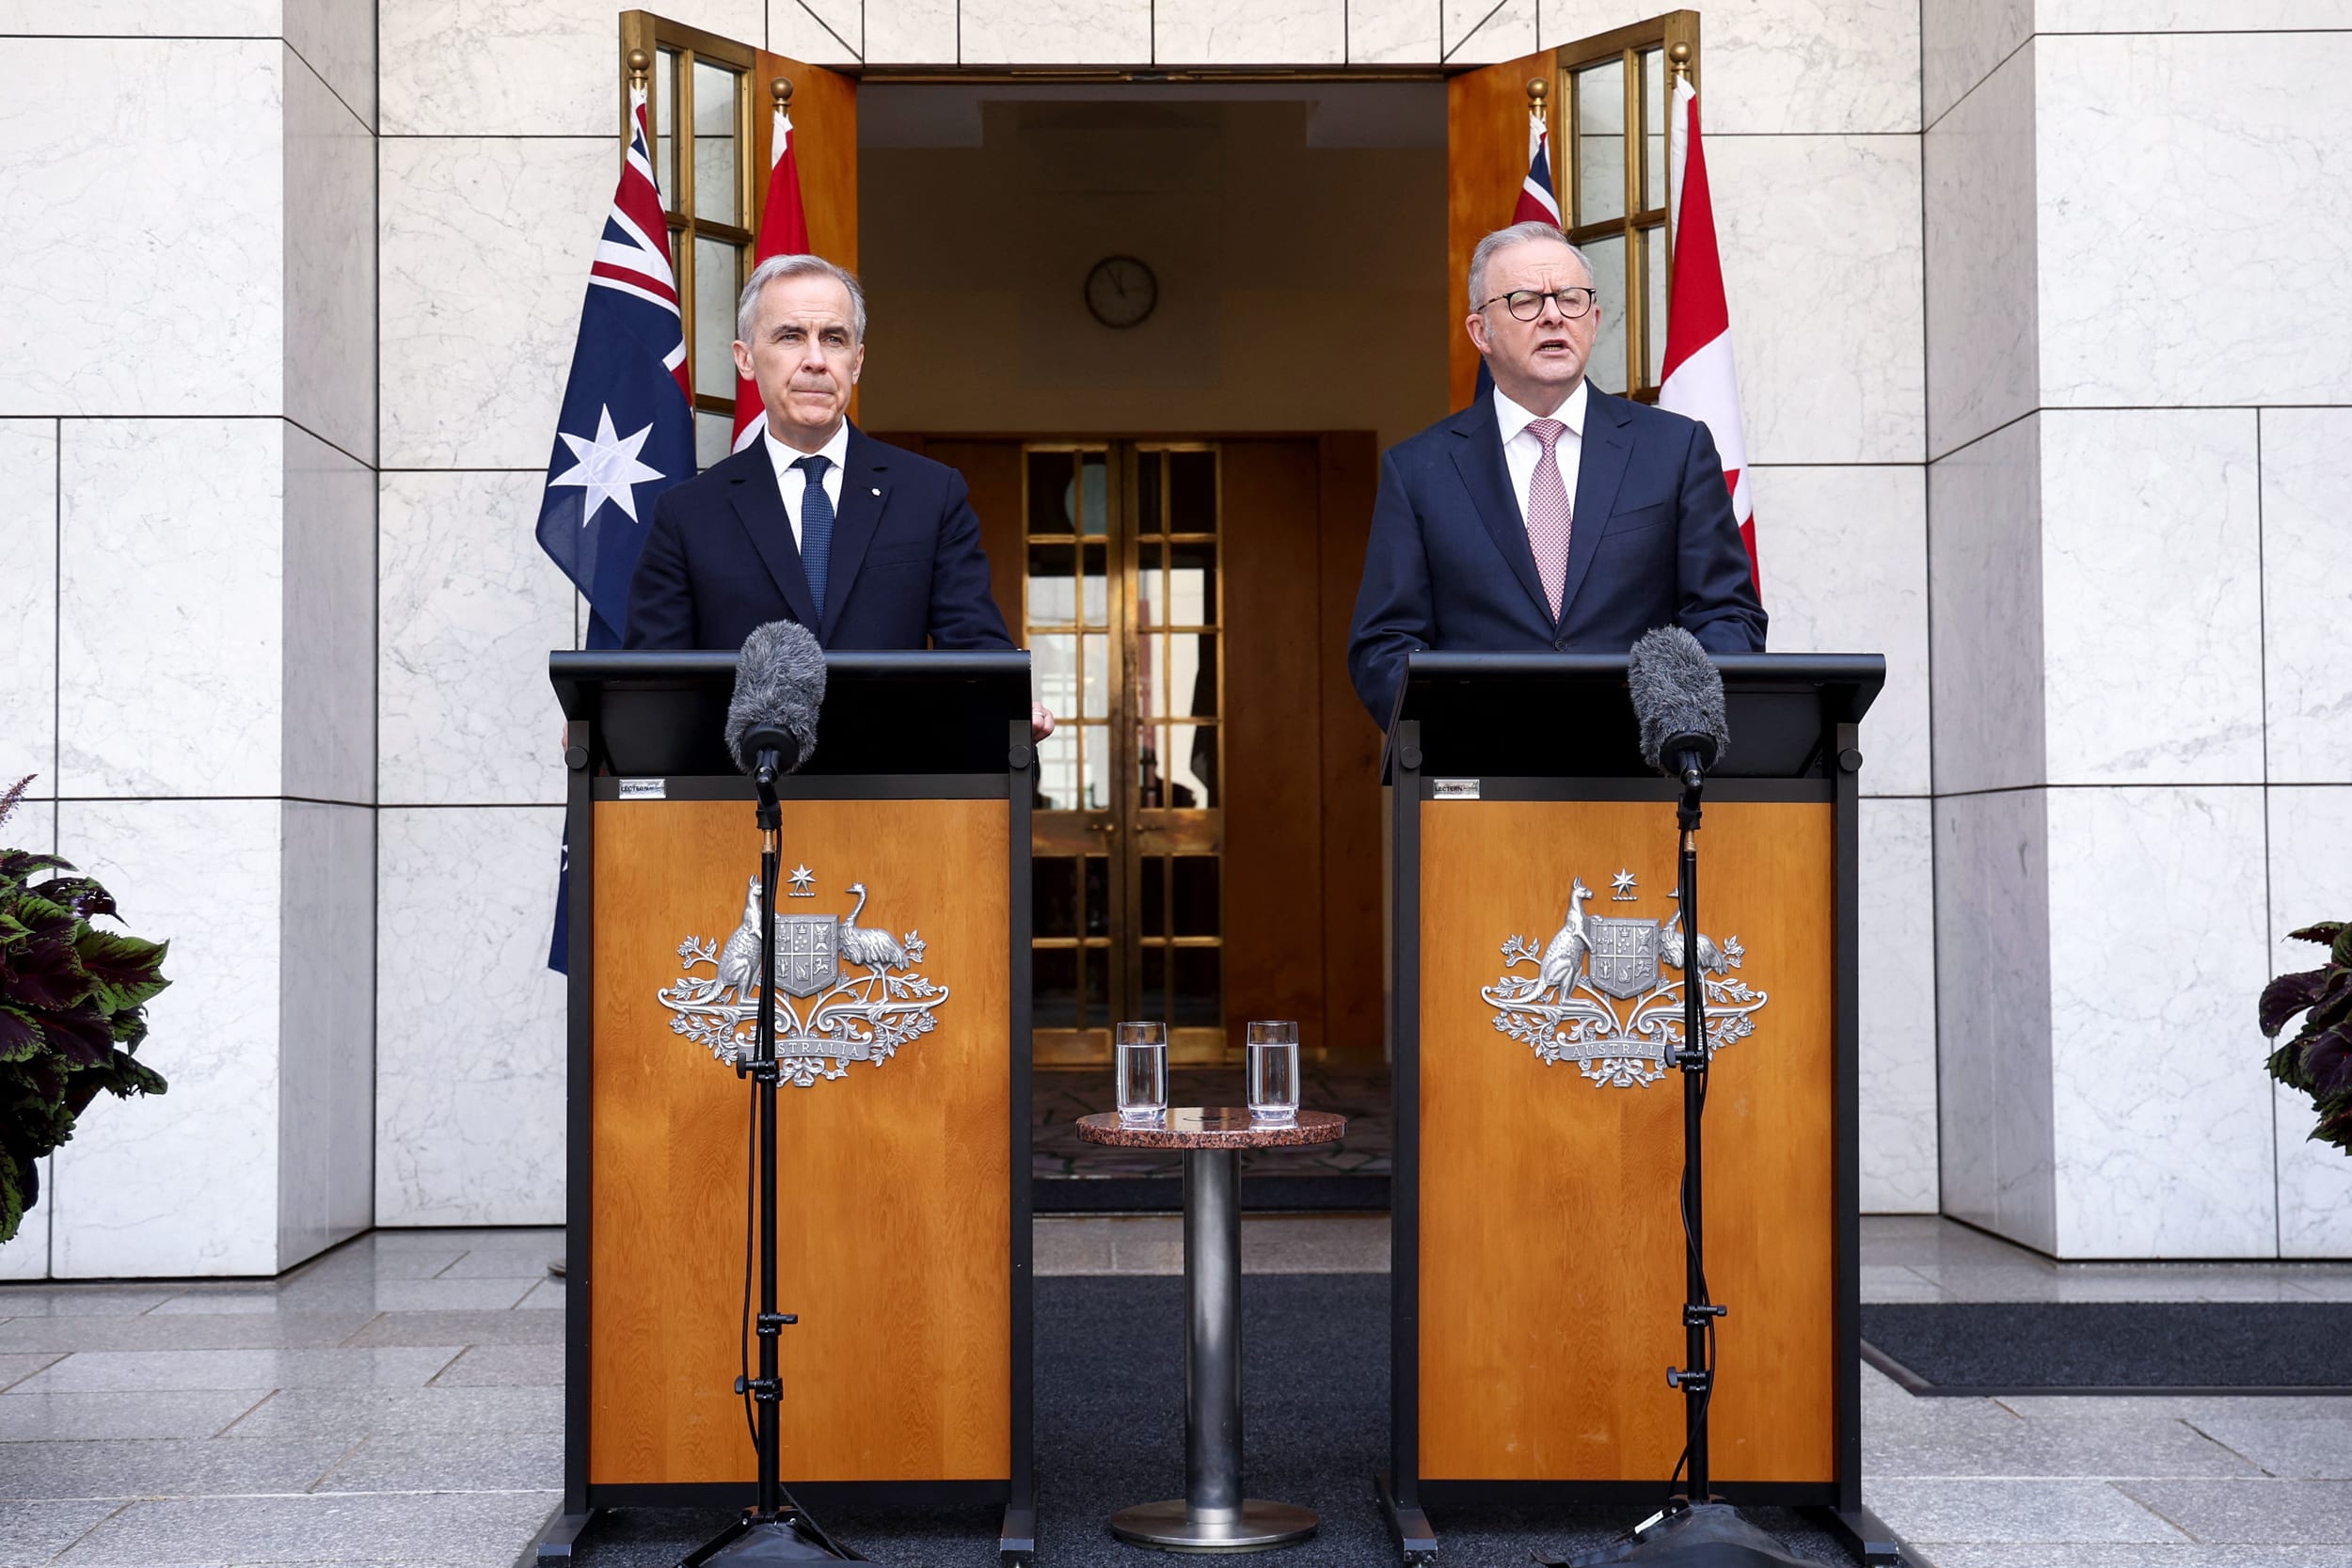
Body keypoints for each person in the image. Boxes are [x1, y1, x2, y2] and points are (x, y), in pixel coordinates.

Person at [1346, 220, 1765, 727]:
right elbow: (1384, 646)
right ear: (1481, 332)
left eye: (1570, 299)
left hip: (1642, 775)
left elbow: (1727, 616)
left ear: (1594, 320)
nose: (1552, 317)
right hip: (1484, 778)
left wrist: (1683, 723)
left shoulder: (1675, 449)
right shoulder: (1418, 471)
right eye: (1525, 300)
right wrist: (1458, 737)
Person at [626, 252, 1052, 736]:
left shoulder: (930, 494)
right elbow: (651, 676)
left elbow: (976, 646)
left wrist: (1012, 706)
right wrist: (604, 719)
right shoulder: (689, 514)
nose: (815, 359)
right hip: (742, 794)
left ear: (858, 360)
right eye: (790, 337)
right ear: (745, 359)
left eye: (834, 338)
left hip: (892, 794)